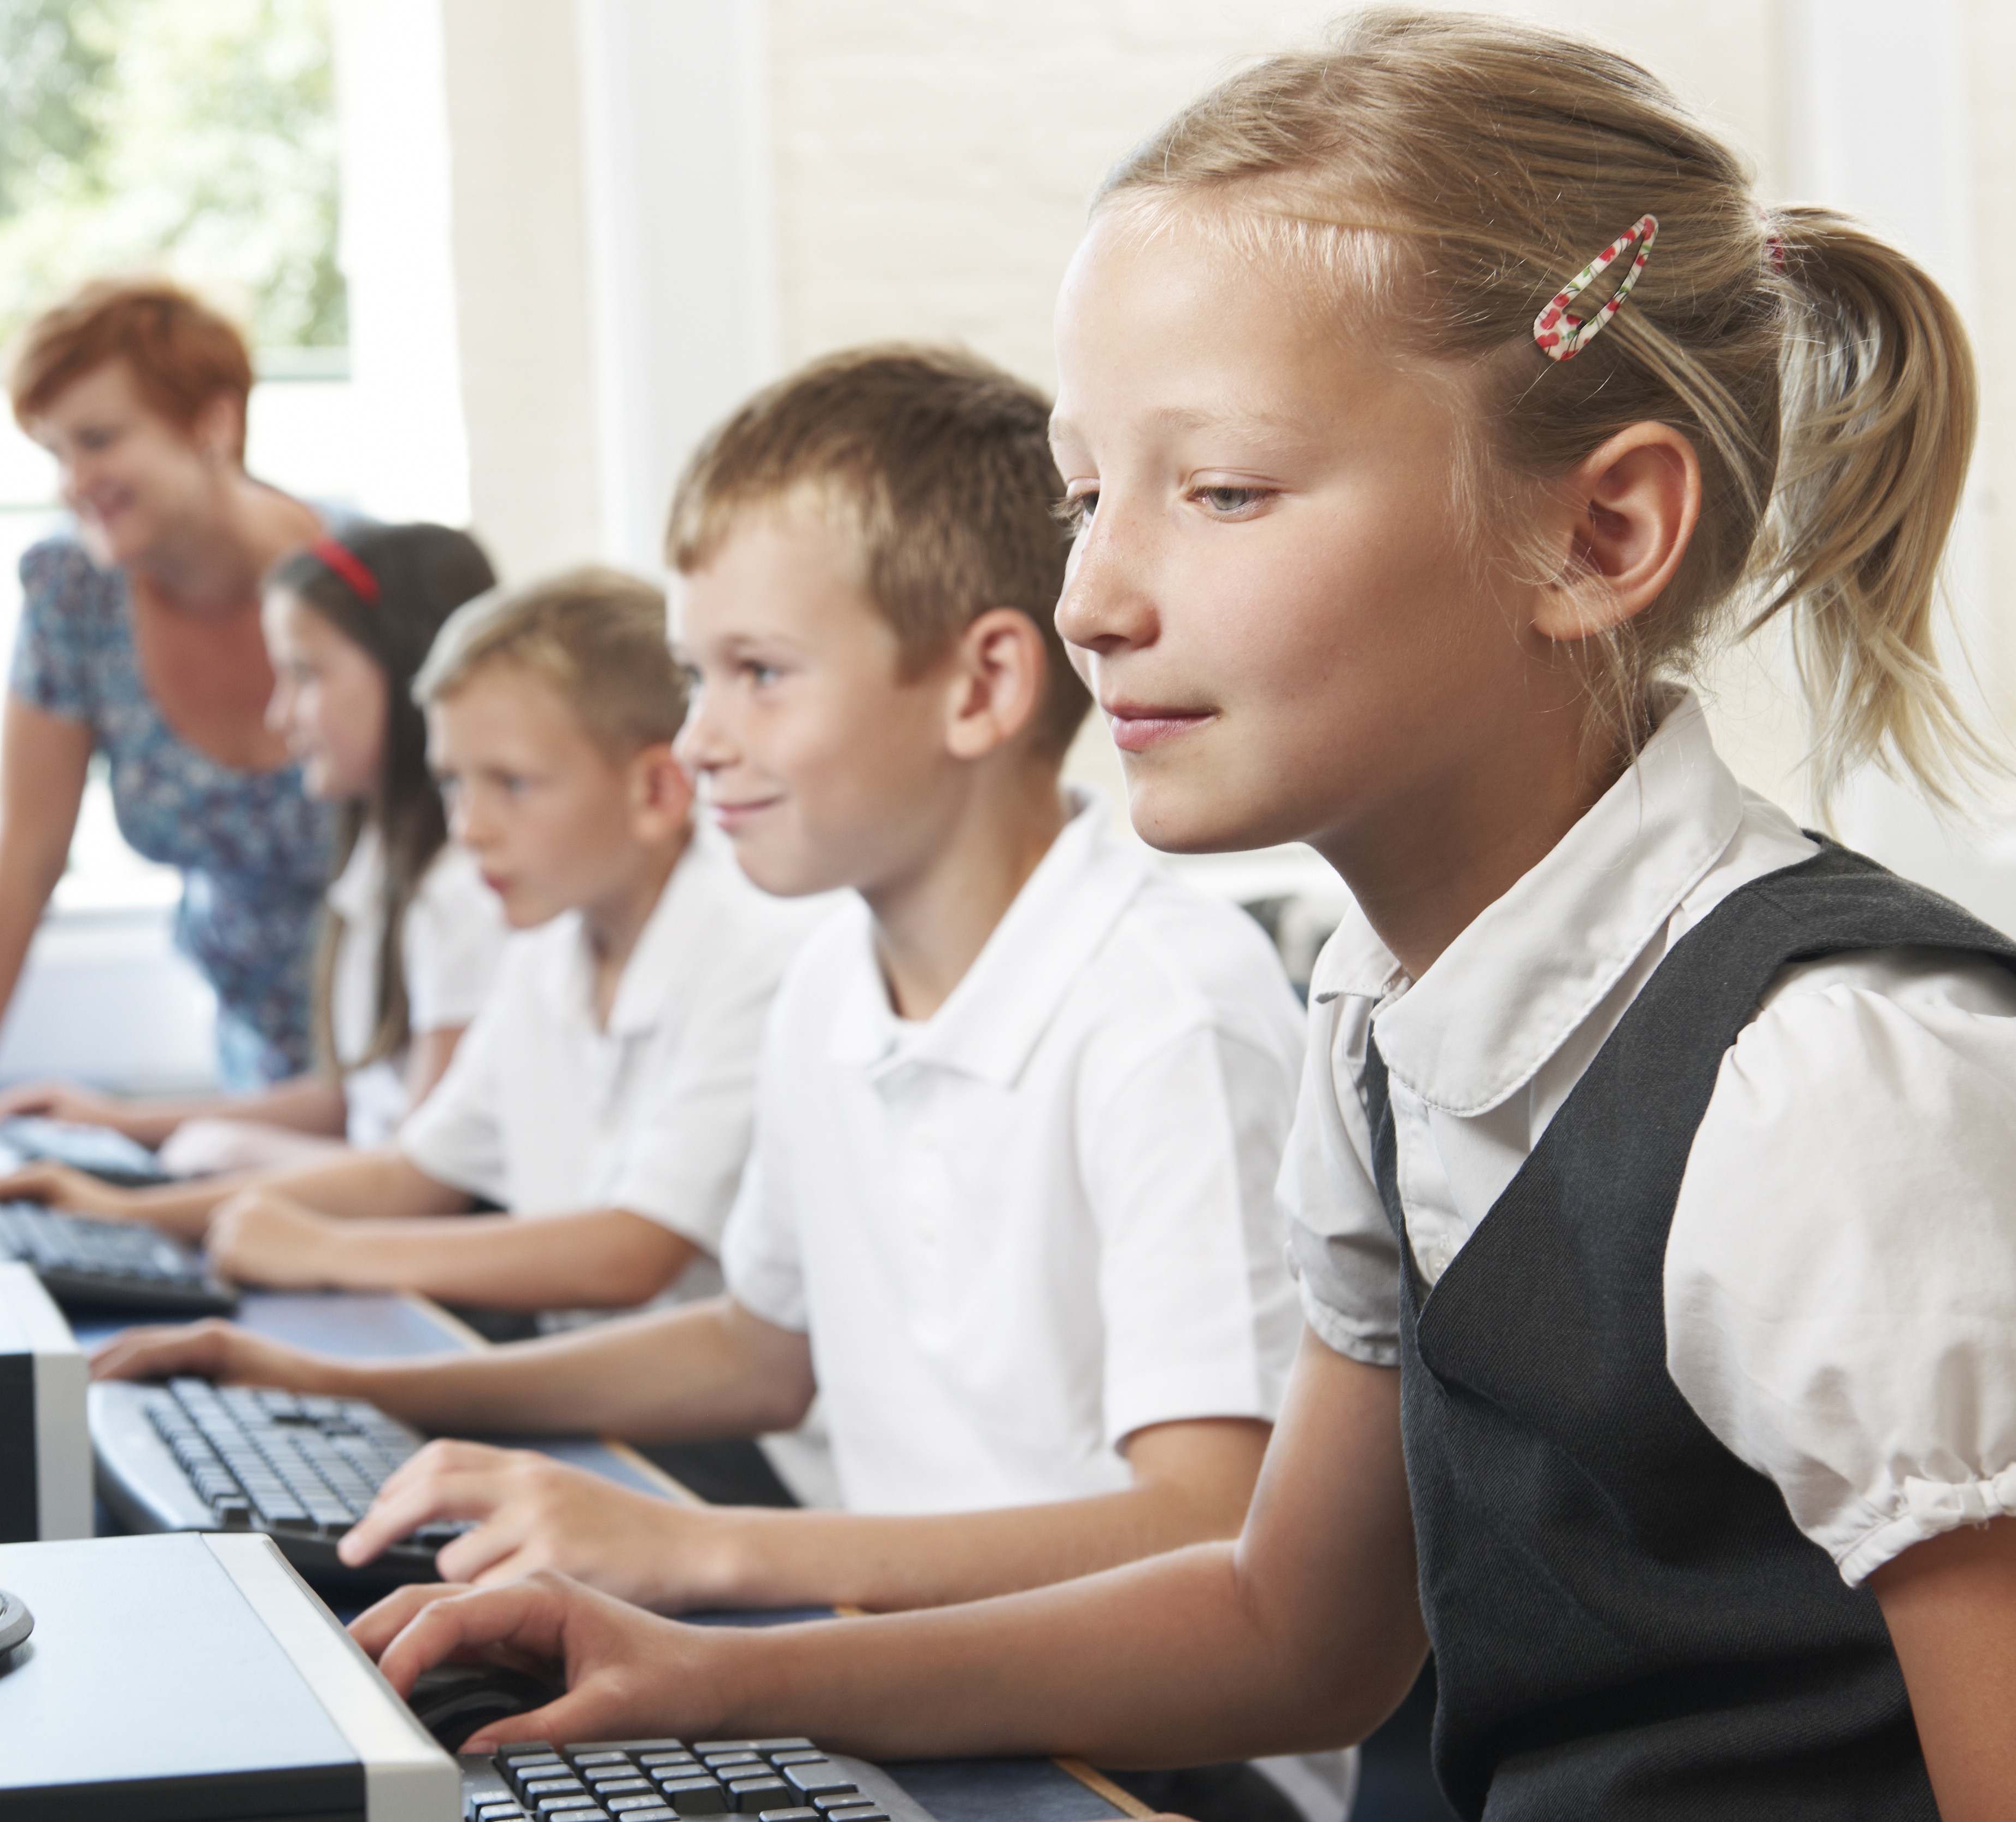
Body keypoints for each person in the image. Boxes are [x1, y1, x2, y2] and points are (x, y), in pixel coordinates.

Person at [337, 14, 2016, 1819]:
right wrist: (712, 1673)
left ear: (1597, 535)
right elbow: (1291, 1630)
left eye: (1219, 491)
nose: (1089, 597)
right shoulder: (1381, 1022)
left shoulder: (1828, 1085)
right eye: (1083, 494)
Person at [95, 346, 1346, 1821]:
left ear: (983, 683)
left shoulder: (1164, 1011)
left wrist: (708, 1553)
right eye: (697, 676)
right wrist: (344, 1384)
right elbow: (763, 1348)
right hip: (905, 1663)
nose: (698, 739)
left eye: (757, 673)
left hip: (1152, 1755)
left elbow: (1206, 1525)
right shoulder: (833, 976)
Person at [37, 568, 824, 1323]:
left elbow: (631, 1251)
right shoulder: (545, 952)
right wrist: (122, 1215)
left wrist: (330, 1252)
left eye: (511, 784)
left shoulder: (753, 953)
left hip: (731, 1445)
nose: (468, 827)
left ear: (656, 792)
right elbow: (413, 1173)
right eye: (453, 783)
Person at [0, 522, 509, 1186]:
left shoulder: (462, 892)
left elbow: (424, 1179)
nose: (280, 717)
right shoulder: (378, 865)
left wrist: (156, 1199)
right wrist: (121, 1123)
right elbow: (355, 1099)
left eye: (305, 676)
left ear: (407, 673)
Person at [0, 277, 340, 1127]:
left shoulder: (362, 584)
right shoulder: (73, 593)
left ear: (214, 425)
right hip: (253, 1071)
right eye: (55, 453)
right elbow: (24, 868)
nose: (75, 481)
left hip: (401, 1056)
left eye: (99, 440)